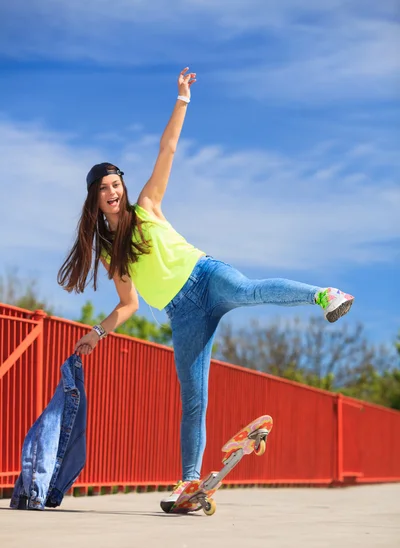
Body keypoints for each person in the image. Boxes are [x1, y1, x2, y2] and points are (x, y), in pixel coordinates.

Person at [57, 67, 354, 513]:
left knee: (251, 291)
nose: (113, 192)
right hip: (183, 315)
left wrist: (182, 99)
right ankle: (191, 483)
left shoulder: (148, 204)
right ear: (95, 199)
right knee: (193, 398)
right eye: (104, 189)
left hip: (206, 276)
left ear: (123, 187)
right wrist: (97, 333)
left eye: (116, 184)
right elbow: (128, 303)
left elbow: (168, 147)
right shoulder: (108, 251)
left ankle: (324, 295)